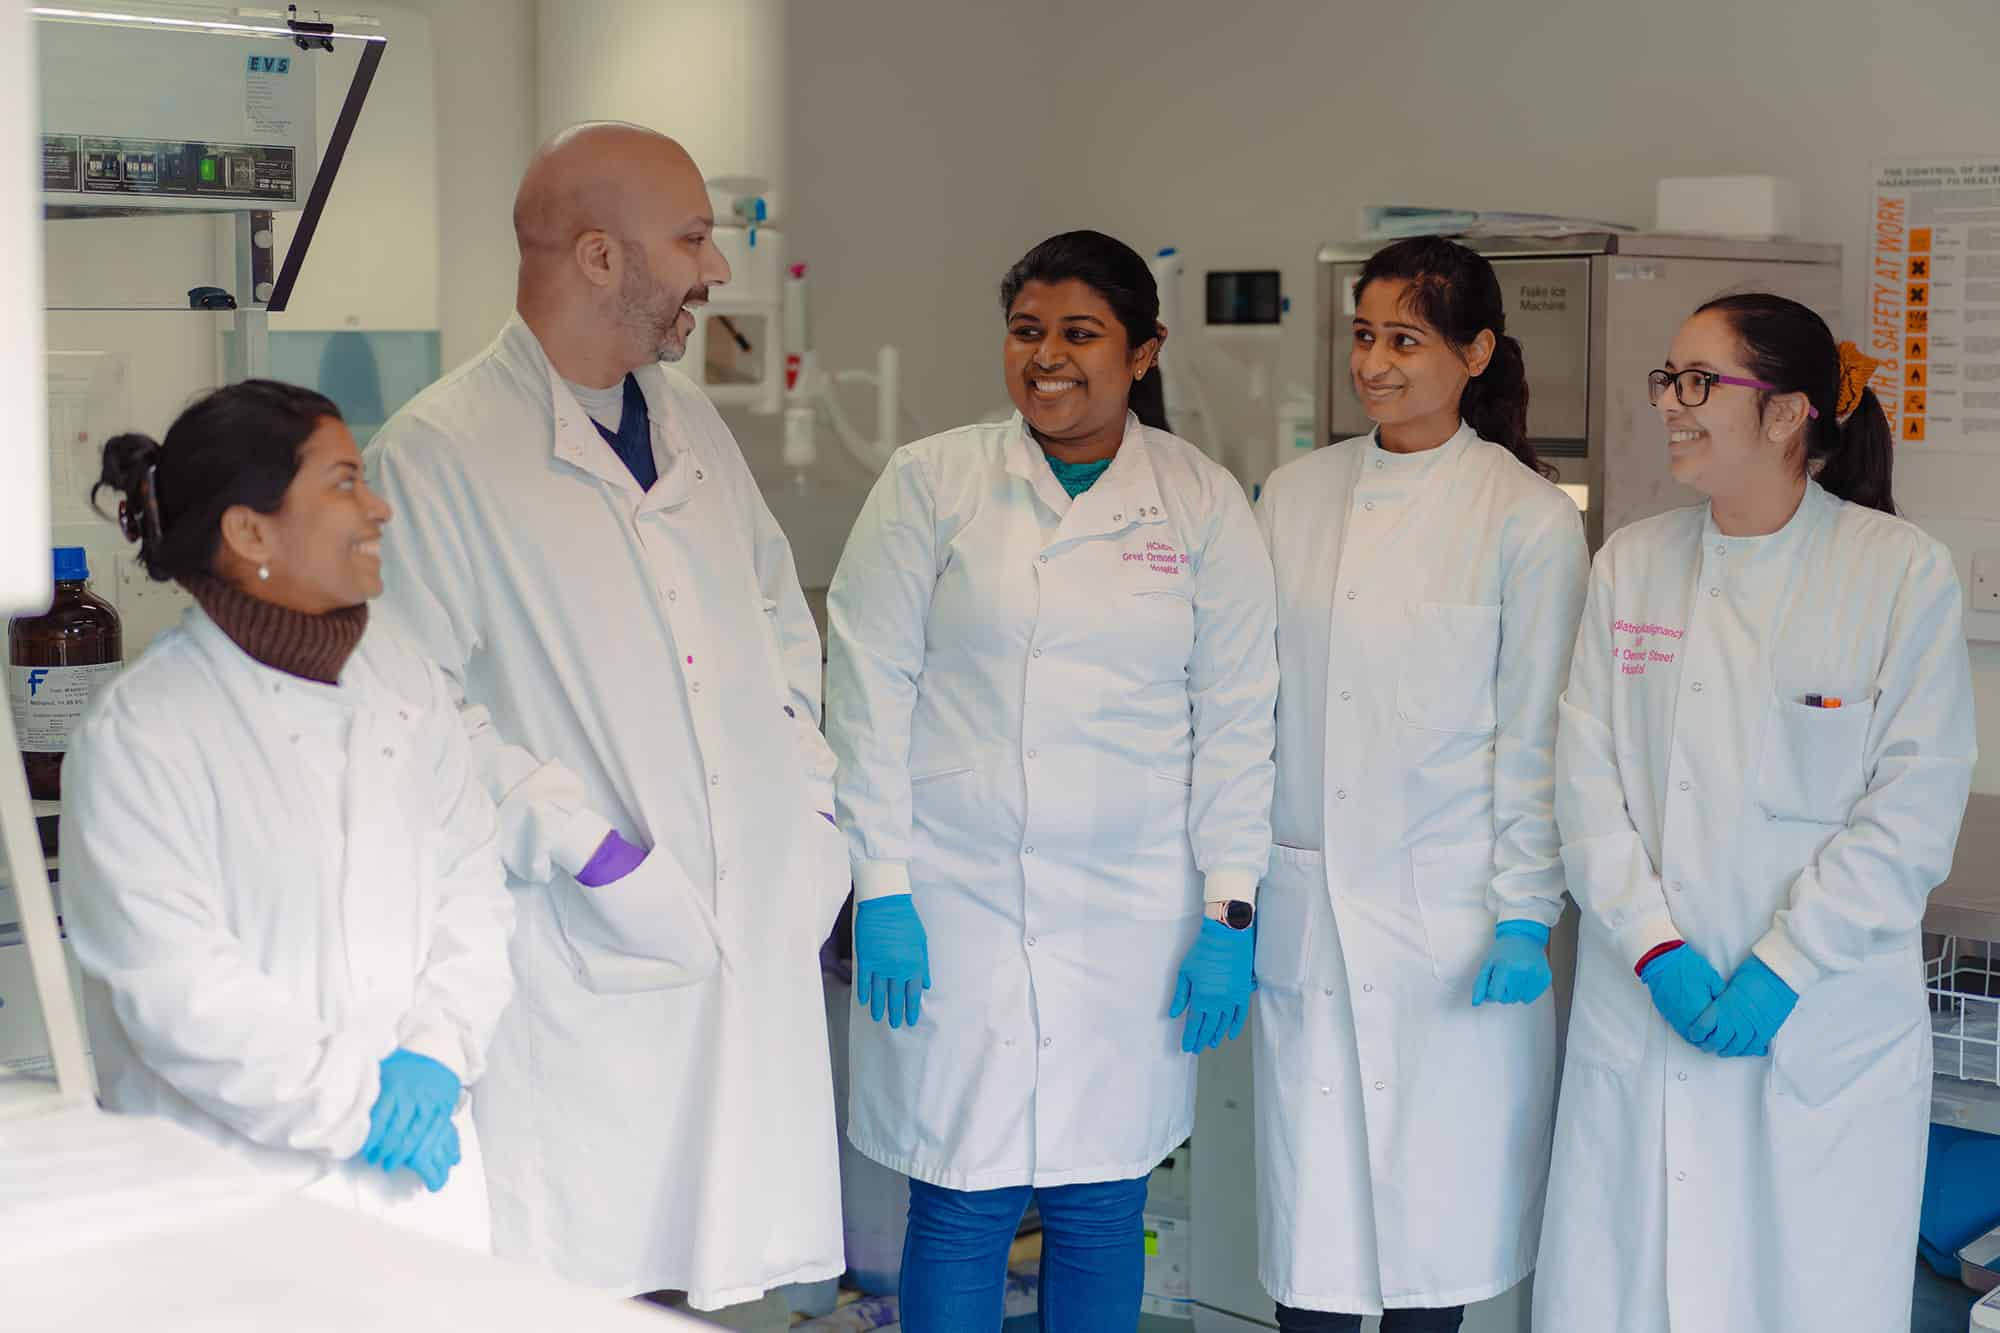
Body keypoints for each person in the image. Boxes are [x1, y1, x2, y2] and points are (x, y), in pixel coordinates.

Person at [361, 123, 848, 1311]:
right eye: (690, 238)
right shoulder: (437, 453)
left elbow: (779, 626)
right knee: (585, 1284)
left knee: (721, 1273)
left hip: (745, 916)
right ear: (594, 256)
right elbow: (409, 711)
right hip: (579, 939)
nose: (714, 268)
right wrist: (592, 848)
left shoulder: (688, 423)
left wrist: (809, 808)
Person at [825, 230, 1278, 1332]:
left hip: (1129, 912)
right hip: (954, 896)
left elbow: (1233, 721)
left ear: (1143, 350)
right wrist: (878, 884)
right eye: (1026, 331)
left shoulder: (1201, 501)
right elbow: (866, 685)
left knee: (1098, 1198)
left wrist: (1228, 908)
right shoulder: (932, 480)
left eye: (1080, 333)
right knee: (960, 1198)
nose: (1046, 358)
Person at [1535, 294, 1975, 1330]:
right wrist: (1652, 947)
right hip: (1645, 1004)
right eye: (1665, 379)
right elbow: (1584, 778)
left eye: (1699, 383)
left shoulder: (1892, 570)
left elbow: (1908, 811)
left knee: (1798, 1294)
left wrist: (1781, 966)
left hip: (1815, 1023)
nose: (1671, 406)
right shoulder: (1630, 562)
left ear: (1786, 415)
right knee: (1627, 1292)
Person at [64, 381, 514, 1249]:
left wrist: (439, 1050)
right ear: (250, 532)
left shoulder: (404, 679)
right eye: (346, 482)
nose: (378, 507)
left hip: (424, 1178)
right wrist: (359, 1105)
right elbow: (180, 991)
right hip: (237, 1202)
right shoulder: (143, 734)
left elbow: (472, 885)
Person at [1252, 236, 1588, 1332]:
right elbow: (1249, 710)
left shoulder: (1525, 519)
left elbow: (1536, 736)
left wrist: (1523, 915)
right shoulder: (1291, 497)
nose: (1374, 364)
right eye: (1362, 336)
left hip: (1451, 928)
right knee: (1310, 1262)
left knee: (1426, 1270)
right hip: (1308, 916)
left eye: (1404, 338)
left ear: (1473, 351)